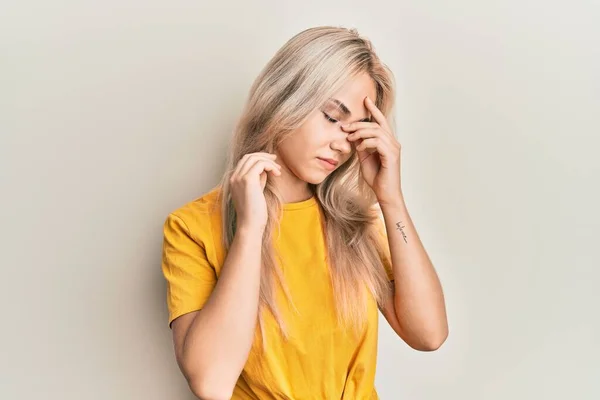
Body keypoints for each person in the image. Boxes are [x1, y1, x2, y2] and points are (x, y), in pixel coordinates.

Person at [161, 26, 448, 400]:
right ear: (283, 99)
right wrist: (250, 229)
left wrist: (390, 197)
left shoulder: (358, 224)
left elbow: (429, 335)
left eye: (354, 131)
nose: (340, 144)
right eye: (331, 117)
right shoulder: (192, 227)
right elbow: (211, 383)